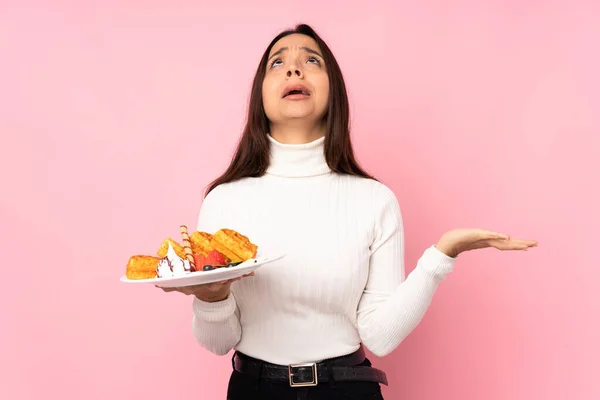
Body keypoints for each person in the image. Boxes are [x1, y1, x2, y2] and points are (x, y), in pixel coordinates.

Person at [159, 24, 538, 400]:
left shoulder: (374, 200)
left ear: (333, 90)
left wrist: (442, 255)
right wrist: (211, 299)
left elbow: (381, 335)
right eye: (278, 63)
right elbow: (218, 343)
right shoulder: (224, 201)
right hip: (253, 390)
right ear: (260, 95)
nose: (294, 69)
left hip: (348, 390)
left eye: (311, 60)